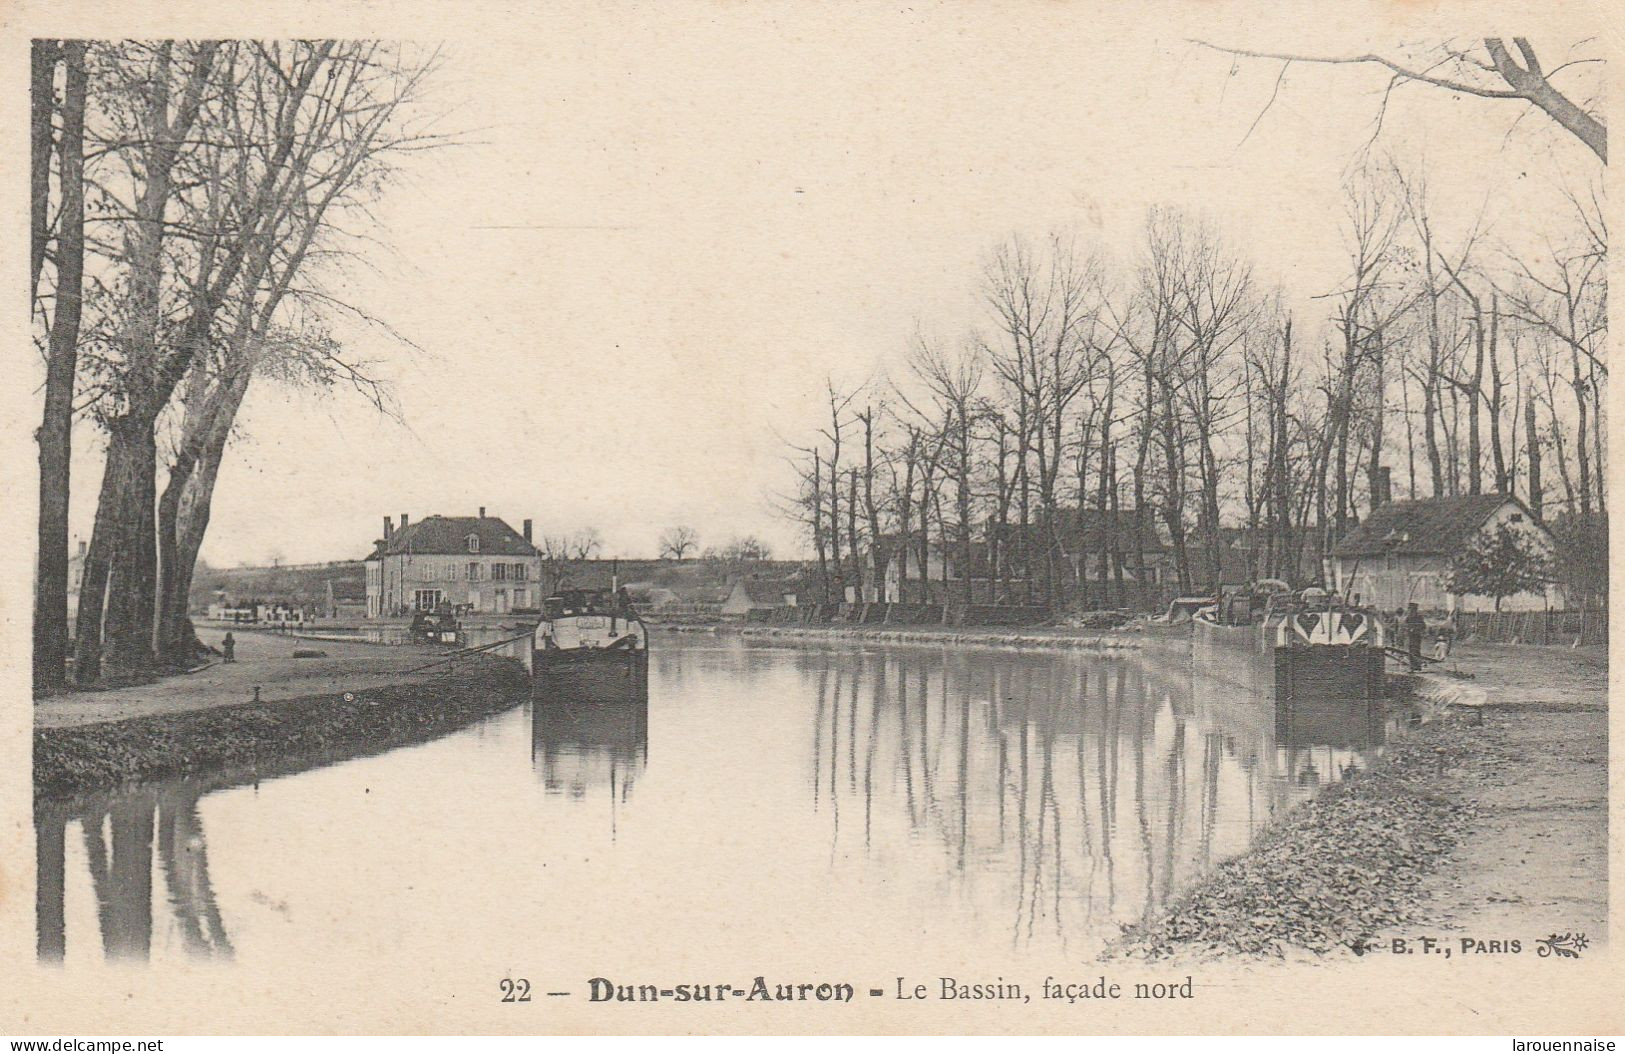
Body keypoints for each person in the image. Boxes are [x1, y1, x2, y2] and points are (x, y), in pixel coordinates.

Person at [1403, 603, 1426, 672]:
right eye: (1409, 609)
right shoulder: (1409, 616)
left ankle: (1416, 667)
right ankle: (1413, 667)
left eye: (1411, 609)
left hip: (1416, 636)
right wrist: (1407, 629)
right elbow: (1405, 624)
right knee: (1412, 651)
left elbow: (1423, 626)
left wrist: (1415, 629)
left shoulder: (1418, 617)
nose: (1410, 610)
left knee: (1415, 651)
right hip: (1411, 636)